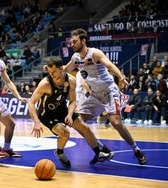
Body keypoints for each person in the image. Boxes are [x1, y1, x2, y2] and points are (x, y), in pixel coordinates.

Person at [63, 28, 147, 165]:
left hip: (109, 91)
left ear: (83, 41)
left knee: (116, 123)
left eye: (74, 42)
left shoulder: (95, 53)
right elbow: (65, 69)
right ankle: (101, 150)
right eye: (71, 42)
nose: (72, 44)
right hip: (95, 94)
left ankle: (137, 150)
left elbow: (110, 65)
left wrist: (121, 77)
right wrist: (52, 69)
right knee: (77, 123)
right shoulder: (75, 58)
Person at [29, 56, 113, 168]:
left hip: (62, 110)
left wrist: (69, 114)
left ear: (61, 69)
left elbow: (72, 101)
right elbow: (31, 103)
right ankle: (59, 152)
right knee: (65, 134)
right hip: (47, 114)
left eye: (54, 71)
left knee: (85, 128)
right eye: (49, 72)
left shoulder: (71, 80)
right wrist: (36, 122)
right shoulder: (45, 84)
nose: (51, 74)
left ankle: (98, 152)